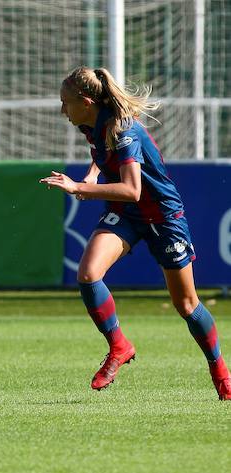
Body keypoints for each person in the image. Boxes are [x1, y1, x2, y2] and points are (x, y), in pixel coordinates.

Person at [40, 66, 230, 400]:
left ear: (85, 101)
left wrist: (79, 188)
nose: (61, 110)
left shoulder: (123, 129)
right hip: (126, 214)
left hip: (162, 215)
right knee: (88, 274)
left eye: (65, 102)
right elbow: (103, 159)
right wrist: (92, 174)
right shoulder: (91, 124)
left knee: (186, 304)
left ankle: (220, 370)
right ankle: (119, 346)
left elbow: (131, 189)